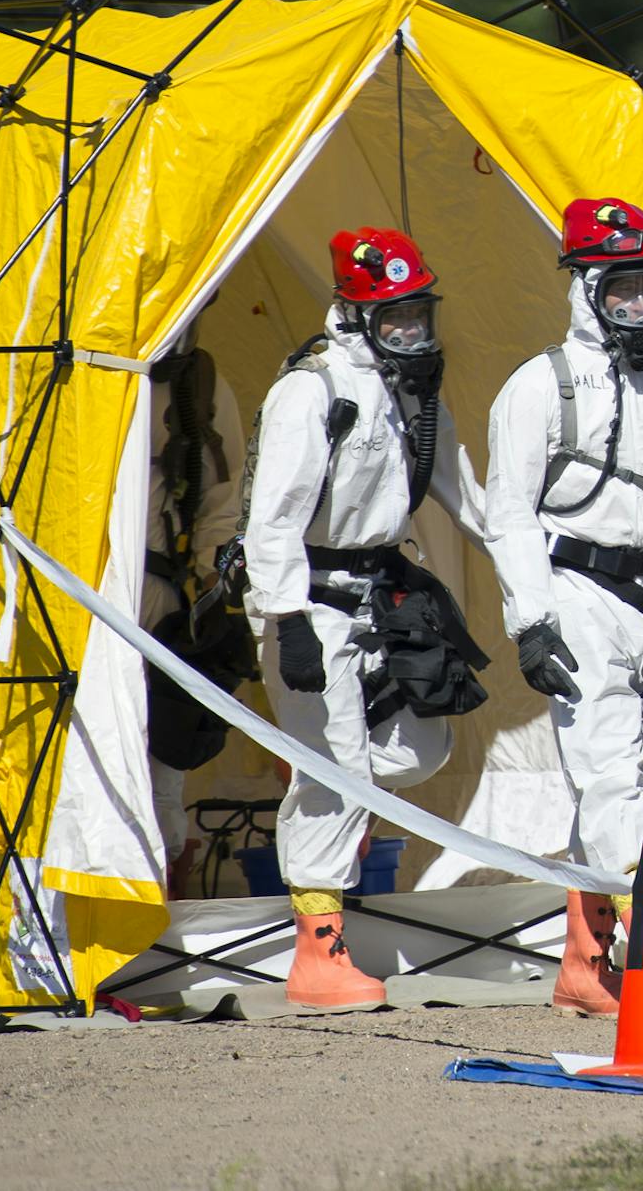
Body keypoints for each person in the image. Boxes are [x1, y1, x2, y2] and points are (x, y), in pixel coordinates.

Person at [241, 227, 487, 1009]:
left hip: (382, 595)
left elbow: (470, 499)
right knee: (336, 773)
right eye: (395, 318)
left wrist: (547, 558)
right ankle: (319, 954)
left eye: (419, 315)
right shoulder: (311, 391)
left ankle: (323, 799)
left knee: (421, 747)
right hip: (309, 596)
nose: (411, 333)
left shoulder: (414, 395)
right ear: (355, 312)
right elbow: (271, 520)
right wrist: (288, 620)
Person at [484, 198, 643, 1018]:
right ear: (587, 291)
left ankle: (587, 957)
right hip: (578, 596)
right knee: (610, 776)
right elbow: (509, 512)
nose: (641, 307)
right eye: (623, 291)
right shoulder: (539, 387)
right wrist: (532, 621)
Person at [141, 319, 252, 895]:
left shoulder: (202, 386)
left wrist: (212, 594)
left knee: (164, 762)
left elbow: (223, 501)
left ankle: (165, 916)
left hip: (158, 597)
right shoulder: (58, 369)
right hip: (72, 592)